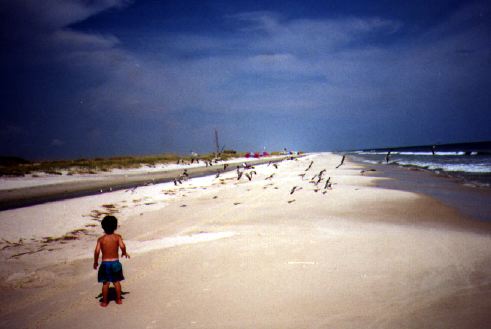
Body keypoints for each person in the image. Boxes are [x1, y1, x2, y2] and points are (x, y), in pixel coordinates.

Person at [93, 215, 130, 307]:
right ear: (115, 226)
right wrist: (124, 252)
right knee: (116, 282)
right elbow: (122, 246)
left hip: (105, 264)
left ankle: (105, 301)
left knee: (105, 283)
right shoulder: (117, 237)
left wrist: (95, 261)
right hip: (115, 263)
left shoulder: (101, 240)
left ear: (103, 227)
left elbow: (97, 251)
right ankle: (118, 299)